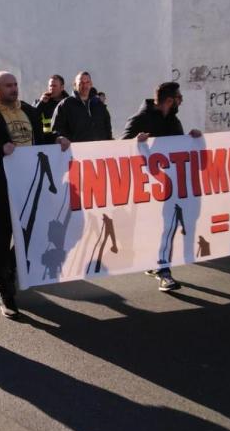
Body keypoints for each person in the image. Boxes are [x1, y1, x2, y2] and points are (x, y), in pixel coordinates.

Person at [0, 71, 53, 319]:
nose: (14, 89)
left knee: (31, 236)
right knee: (1, 242)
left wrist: (58, 139)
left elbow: (41, 139)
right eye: (8, 85)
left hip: (28, 186)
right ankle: (6, 293)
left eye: (15, 84)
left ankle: (11, 269)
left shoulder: (29, 111)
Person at [121, 81, 202, 292]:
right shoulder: (141, 119)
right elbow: (119, 148)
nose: (181, 101)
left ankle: (158, 265)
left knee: (167, 226)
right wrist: (135, 142)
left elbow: (179, 149)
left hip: (168, 185)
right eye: (178, 97)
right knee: (161, 228)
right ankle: (163, 272)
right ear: (169, 100)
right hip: (147, 187)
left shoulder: (173, 121)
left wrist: (191, 139)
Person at [51, 71, 112, 143]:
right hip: (75, 152)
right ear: (75, 85)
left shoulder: (99, 105)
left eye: (87, 82)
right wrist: (60, 138)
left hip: (99, 151)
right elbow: (56, 130)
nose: (85, 86)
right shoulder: (65, 105)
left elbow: (107, 128)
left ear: (91, 84)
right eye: (81, 83)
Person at [34, 74, 68, 141]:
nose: (51, 88)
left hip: (65, 142)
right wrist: (41, 103)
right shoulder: (40, 102)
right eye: (50, 86)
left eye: (54, 86)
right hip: (45, 143)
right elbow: (31, 117)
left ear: (62, 87)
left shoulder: (69, 103)